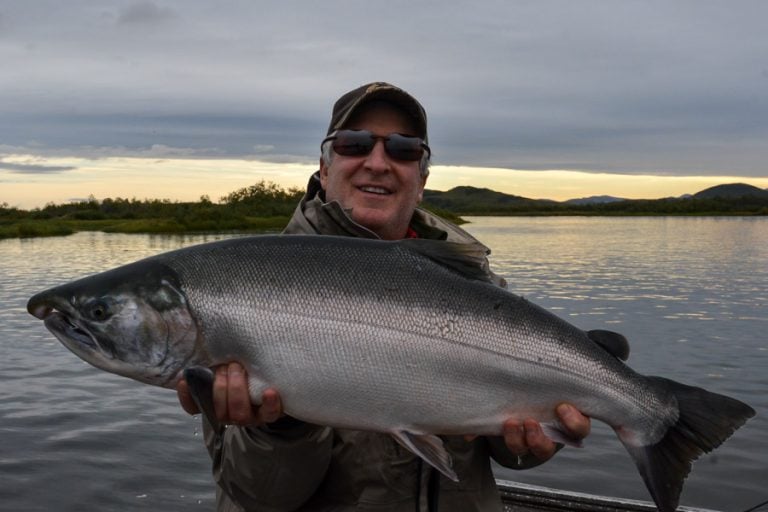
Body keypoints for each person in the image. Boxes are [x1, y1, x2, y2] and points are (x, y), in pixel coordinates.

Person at [177, 82, 592, 512]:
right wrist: (278, 428)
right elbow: (260, 498)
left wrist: (532, 444)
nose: (378, 162)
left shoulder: (476, 290)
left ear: (423, 180)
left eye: (403, 149)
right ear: (324, 167)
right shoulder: (245, 290)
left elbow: (508, 451)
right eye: (354, 144)